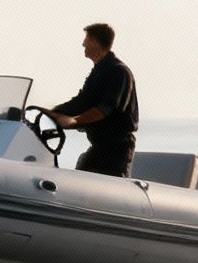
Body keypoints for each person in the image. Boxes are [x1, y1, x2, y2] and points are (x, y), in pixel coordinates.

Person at [48, 22, 139, 177]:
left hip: (116, 150)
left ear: (95, 42)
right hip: (99, 146)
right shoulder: (98, 71)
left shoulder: (119, 72)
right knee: (81, 177)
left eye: (87, 40)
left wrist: (75, 121)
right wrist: (53, 112)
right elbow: (82, 101)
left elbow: (104, 110)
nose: (83, 44)